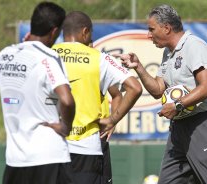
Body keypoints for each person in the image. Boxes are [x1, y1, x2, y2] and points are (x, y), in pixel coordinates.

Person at [117, 4, 207, 184]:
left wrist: (178, 105)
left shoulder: (194, 46)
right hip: (179, 129)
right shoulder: (168, 53)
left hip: (203, 124)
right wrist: (138, 67)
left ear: (166, 28)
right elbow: (157, 90)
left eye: (151, 29)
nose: (148, 35)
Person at [51, 11, 142, 184]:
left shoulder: (47, 55)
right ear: (85, 32)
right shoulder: (99, 58)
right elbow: (135, 88)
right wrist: (112, 120)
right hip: (87, 147)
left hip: (51, 146)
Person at [0, 2, 75, 184]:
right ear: (54, 31)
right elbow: (67, 100)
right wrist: (65, 127)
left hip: (15, 160)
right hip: (50, 157)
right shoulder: (49, 58)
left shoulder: (4, 55)